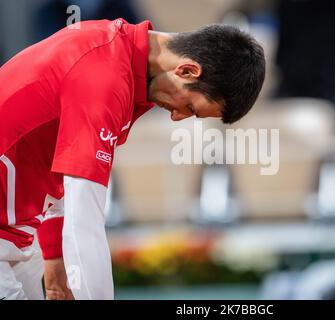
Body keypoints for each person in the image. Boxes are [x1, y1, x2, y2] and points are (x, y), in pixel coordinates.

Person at [0, 18, 265, 300]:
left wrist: (54, 255)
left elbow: (56, 164)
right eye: (190, 108)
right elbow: (84, 217)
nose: (176, 117)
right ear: (187, 70)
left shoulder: (119, 58)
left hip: (17, 237)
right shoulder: (104, 75)